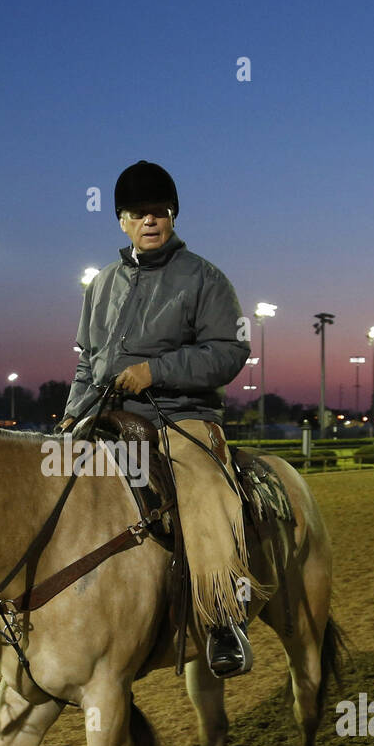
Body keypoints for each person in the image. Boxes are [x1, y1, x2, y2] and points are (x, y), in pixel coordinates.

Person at [59, 160, 256, 678]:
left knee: (204, 490)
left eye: (160, 211)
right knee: (47, 479)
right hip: (106, 416)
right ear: (121, 220)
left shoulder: (205, 279)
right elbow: (87, 360)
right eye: (138, 212)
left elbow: (231, 352)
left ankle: (221, 619)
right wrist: (70, 417)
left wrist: (157, 371)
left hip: (180, 419)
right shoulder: (101, 284)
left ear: (172, 215)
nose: (150, 220)